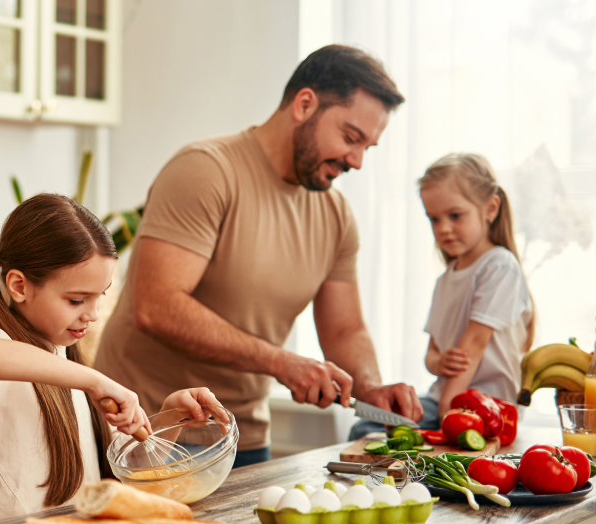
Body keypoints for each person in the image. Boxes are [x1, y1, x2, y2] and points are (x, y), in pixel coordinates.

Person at [94, 44, 423, 468]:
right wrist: (281, 362)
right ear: (305, 104)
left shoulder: (336, 215)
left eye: (367, 148)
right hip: (146, 432)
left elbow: (344, 329)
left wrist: (370, 387)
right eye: (350, 137)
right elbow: (157, 307)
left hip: (242, 440)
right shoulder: (206, 171)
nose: (356, 161)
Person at [0, 193, 222, 524]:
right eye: (77, 300)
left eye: (99, 296)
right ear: (19, 285)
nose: (92, 314)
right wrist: (94, 381)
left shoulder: (68, 364)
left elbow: (122, 478)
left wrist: (171, 417)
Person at [351, 154, 533, 438]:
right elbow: (432, 352)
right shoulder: (445, 279)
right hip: (443, 399)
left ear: (490, 208)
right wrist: (439, 363)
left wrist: (450, 417)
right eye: (434, 219)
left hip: (487, 406)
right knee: (367, 427)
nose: (443, 228)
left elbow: (472, 347)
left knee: (370, 432)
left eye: (455, 216)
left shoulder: (499, 266)